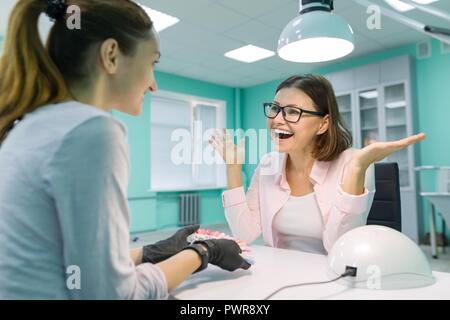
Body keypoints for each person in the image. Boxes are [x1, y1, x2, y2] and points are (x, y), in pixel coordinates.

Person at [0, 0, 249, 300]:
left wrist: (150, 252)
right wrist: (201, 253)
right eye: (152, 63)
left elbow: (72, 268)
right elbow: (111, 294)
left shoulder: (35, 125)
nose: (154, 85)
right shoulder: (91, 131)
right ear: (112, 55)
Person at [210, 74, 425, 254]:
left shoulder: (354, 164)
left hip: (333, 279)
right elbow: (244, 235)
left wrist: (358, 168)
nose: (277, 119)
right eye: (275, 108)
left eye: (293, 111)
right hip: (280, 277)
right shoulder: (268, 165)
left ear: (323, 124)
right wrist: (233, 168)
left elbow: (340, 245)